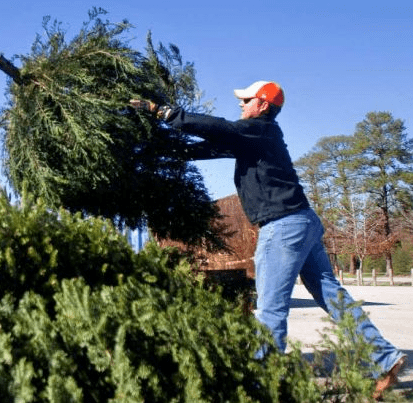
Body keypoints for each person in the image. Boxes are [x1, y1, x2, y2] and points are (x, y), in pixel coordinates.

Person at [130, 81, 407, 398]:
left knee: (270, 309)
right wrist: (165, 150)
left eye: (246, 99)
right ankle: (386, 358)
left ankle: (263, 385)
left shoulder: (258, 129)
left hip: (283, 226)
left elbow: (219, 128)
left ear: (262, 105)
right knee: (333, 296)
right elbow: (212, 146)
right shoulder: (256, 137)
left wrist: (163, 112)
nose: (241, 104)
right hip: (304, 221)